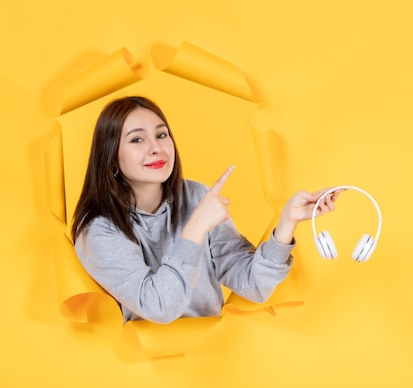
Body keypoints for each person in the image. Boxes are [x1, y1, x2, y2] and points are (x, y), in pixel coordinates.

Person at [71, 96, 340, 324]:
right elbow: (159, 307)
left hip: (211, 358)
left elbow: (254, 285)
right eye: (137, 140)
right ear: (111, 159)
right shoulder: (98, 230)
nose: (156, 148)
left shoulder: (196, 196)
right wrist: (195, 228)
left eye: (161, 134)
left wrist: (286, 224)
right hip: (145, 367)